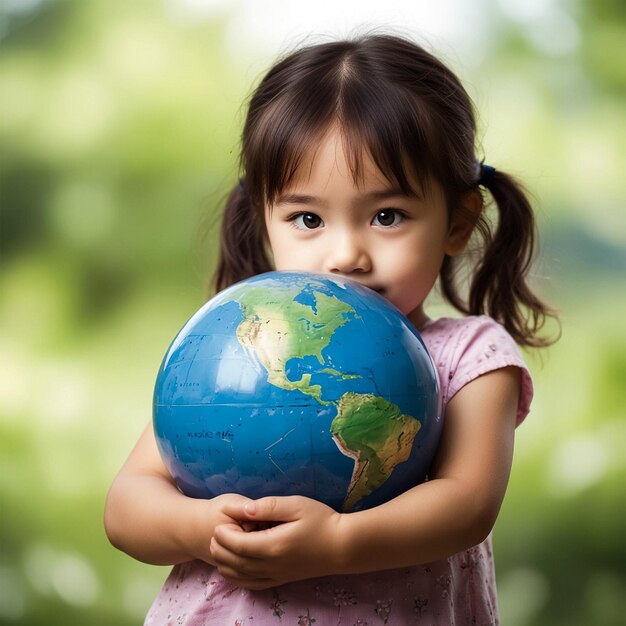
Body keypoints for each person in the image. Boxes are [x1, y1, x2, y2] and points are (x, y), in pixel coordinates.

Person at [104, 33, 558, 625]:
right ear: (264, 219)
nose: (345, 255)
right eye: (307, 218)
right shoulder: (238, 351)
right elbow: (126, 505)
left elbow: (466, 504)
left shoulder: (470, 356)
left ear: (457, 221)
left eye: (386, 216)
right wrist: (201, 527)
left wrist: (338, 542)